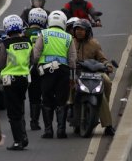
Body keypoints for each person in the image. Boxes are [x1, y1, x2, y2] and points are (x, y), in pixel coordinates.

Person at [33, 10, 77, 139]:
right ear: (63, 22)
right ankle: (61, 130)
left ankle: (48, 131)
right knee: (61, 100)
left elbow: (36, 54)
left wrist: (36, 65)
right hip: (63, 71)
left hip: (46, 71)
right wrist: (72, 76)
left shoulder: (43, 33)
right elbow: (72, 58)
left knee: (46, 99)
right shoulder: (68, 37)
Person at [71, 19, 116, 136]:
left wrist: (108, 65)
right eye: (77, 29)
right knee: (67, 84)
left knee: (106, 81)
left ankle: (108, 125)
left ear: (88, 31)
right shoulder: (70, 42)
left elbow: (102, 59)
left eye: (82, 30)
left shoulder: (94, 44)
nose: (79, 32)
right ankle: (67, 110)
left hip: (94, 73)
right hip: (76, 72)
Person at [0, 14, 33, 150]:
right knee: (20, 107)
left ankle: (19, 141)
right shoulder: (28, 41)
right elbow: (33, 59)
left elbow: (1, 63)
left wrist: (1, 74)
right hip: (24, 79)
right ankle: (23, 136)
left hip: (10, 80)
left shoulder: (5, 43)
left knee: (13, 112)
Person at [24, 8, 48, 130]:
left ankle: (25, 121)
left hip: (25, 67)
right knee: (41, 95)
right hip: (41, 66)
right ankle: (35, 122)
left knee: (30, 96)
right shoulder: (46, 33)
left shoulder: (24, 33)